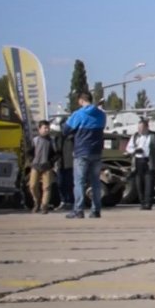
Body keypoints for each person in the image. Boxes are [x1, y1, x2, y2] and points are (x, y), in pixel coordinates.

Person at [63, 91, 106, 219]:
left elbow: (66, 130)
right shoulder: (101, 115)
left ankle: (78, 210)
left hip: (81, 152)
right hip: (96, 152)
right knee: (96, 182)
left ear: (81, 100)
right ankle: (96, 210)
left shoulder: (78, 114)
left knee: (79, 182)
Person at [125, 118, 155, 210]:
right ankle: (142, 202)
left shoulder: (154, 135)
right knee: (139, 183)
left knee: (149, 183)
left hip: (149, 161)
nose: (140, 130)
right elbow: (128, 148)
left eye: (141, 128)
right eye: (138, 128)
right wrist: (135, 150)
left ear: (147, 127)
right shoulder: (135, 136)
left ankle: (148, 203)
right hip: (138, 161)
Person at [28, 120, 56, 214]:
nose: (47, 130)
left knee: (47, 187)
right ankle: (36, 201)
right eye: (45, 128)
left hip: (47, 166)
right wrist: (32, 160)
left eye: (48, 128)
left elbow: (56, 154)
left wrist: (51, 162)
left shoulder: (51, 141)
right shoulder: (35, 140)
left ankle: (44, 206)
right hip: (35, 166)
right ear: (39, 129)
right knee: (32, 186)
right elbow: (30, 152)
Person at [54, 119, 74, 211]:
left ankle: (71, 202)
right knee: (60, 183)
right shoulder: (58, 137)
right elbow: (55, 150)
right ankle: (63, 201)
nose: (64, 127)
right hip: (61, 164)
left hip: (71, 164)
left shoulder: (73, 137)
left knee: (70, 184)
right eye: (62, 125)